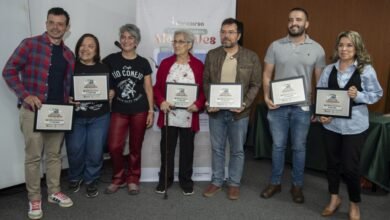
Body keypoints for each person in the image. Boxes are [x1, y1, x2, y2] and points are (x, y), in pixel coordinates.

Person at [2, 7, 74, 219]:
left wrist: (67, 98)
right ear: (46, 24)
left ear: (67, 28)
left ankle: (53, 192)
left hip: (57, 112)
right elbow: (9, 71)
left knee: (54, 155)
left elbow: (64, 84)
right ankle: (34, 198)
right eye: (52, 22)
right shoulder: (30, 44)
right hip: (33, 111)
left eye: (60, 24)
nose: (55, 27)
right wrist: (25, 95)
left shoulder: (68, 54)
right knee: (33, 157)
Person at [260, 7, 326, 203]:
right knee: (278, 146)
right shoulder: (275, 46)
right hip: (278, 107)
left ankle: (297, 186)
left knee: (299, 148)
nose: (293, 23)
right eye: (290, 19)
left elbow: (320, 81)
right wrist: (266, 96)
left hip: (302, 108)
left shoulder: (317, 48)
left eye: (298, 19)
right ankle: (275, 182)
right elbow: (266, 74)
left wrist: (317, 107)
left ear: (306, 24)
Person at [317, 31, 382, 220]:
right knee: (332, 164)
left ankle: (354, 204)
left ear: (357, 48)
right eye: (341, 45)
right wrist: (323, 113)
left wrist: (359, 96)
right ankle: (334, 198)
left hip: (355, 126)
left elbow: (377, 94)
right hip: (332, 126)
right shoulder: (329, 69)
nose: (344, 49)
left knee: (351, 168)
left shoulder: (365, 70)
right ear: (337, 48)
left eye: (349, 45)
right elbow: (322, 93)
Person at [202, 18, 262, 200]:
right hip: (216, 112)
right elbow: (206, 81)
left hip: (240, 113)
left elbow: (256, 84)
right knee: (217, 148)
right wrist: (209, 100)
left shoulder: (251, 57)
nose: (225, 35)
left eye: (230, 32)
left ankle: (234, 183)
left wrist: (244, 104)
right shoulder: (212, 55)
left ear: (239, 35)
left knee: (237, 150)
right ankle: (217, 181)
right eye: (223, 31)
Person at [103, 24, 154, 195]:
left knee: (135, 146)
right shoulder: (110, 60)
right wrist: (108, 90)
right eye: (123, 37)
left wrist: (151, 111)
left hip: (139, 109)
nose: (126, 40)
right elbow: (102, 79)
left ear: (137, 42)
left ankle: (133, 178)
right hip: (119, 109)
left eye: (130, 37)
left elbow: (148, 88)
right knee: (114, 146)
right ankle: (118, 177)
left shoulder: (143, 63)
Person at [153, 30, 206, 196]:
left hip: (189, 117)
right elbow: (156, 88)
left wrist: (198, 104)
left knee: (187, 151)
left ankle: (185, 181)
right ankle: (165, 180)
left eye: (181, 42)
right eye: (175, 41)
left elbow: (204, 90)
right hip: (169, 115)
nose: (177, 45)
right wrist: (161, 101)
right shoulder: (166, 64)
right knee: (167, 150)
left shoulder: (198, 65)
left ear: (190, 45)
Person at [65, 34, 114, 198]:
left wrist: (112, 92)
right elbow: (60, 89)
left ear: (96, 50)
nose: (86, 49)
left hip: (99, 117)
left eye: (91, 46)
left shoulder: (104, 68)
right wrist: (67, 98)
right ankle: (75, 177)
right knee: (75, 149)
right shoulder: (70, 67)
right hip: (76, 117)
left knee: (95, 150)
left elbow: (113, 88)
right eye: (83, 45)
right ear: (78, 47)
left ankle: (91, 179)